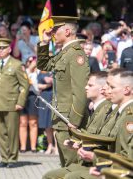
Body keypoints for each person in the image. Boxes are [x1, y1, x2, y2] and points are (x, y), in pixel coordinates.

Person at [37, 16, 90, 167]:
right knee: (66, 165)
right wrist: (44, 43)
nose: (52, 33)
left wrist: (74, 119)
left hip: (69, 120)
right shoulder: (65, 53)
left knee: (72, 165)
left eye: (55, 30)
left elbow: (80, 91)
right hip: (61, 117)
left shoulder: (76, 54)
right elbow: (44, 65)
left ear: (67, 31)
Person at [0, 38, 29, 168]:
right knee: (1, 133)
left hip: (12, 104)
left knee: (12, 133)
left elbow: (25, 85)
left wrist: (20, 102)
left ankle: (12, 159)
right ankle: (4, 158)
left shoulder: (17, 64)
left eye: (3, 48)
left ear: (9, 49)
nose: (0, 50)